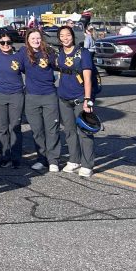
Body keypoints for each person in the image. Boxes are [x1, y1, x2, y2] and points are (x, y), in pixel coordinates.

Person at [55, 26, 97, 177]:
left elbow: (87, 78)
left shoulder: (82, 53)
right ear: (59, 38)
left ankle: (87, 164)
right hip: (63, 98)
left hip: (80, 97)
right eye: (62, 36)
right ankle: (74, 160)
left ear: (73, 36)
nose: (65, 38)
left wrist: (88, 99)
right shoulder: (59, 53)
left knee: (84, 132)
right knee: (69, 131)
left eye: (68, 35)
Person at [20, 29, 61, 173]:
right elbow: (18, 68)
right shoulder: (23, 53)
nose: (36, 41)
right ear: (28, 40)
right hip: (32, 97)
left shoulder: (49, 52)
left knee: (52, 130)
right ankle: (41, 159)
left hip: (49, 95)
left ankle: (53, 160)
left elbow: (60, 66)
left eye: (38, 38)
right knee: (37, 131)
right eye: (32, 38)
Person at [0, 32, 24, 168]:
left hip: (16, 94)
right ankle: (4, 156)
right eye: (2, 42)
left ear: (12, 43)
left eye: (8, 42)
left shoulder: (18, 56)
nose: (5, 45)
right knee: (2, 128)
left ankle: (16, 158)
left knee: (15, 127)